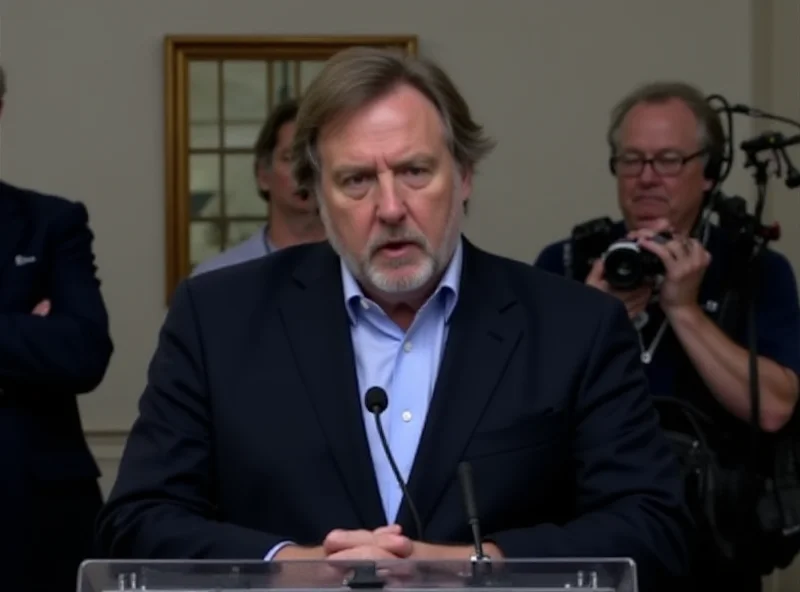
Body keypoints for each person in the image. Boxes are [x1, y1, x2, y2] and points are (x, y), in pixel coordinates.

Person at [96, 48, 691, 590]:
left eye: (414, 171)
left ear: (464, 178)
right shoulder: (216, 317)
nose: (389, 208)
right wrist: (293, 568)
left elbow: (653, 527)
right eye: (355, 180)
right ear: (318, 196)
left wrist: (471, 566)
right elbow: (138, 523)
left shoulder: (575, 326)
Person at [534, 81, 800, 591]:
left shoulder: (753, 268)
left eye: (668, 160)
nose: (647, 178)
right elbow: (521, 412)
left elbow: (774, 407)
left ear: (709, 171)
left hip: (716, 543)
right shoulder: (566, 263)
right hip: (590, 535)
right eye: (631, 160)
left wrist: (685, 309)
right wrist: (594, 318)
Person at [0, 65, 114, 591]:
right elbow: (51, 347)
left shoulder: (52, 222)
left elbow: (83, 352)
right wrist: (24, 331)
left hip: (38, 517)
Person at [191, 99, 326, 276]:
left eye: (316, 157)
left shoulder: (361, 271)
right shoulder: (216, 277)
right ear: (263, 175)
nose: (305, 170)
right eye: (290, 157)